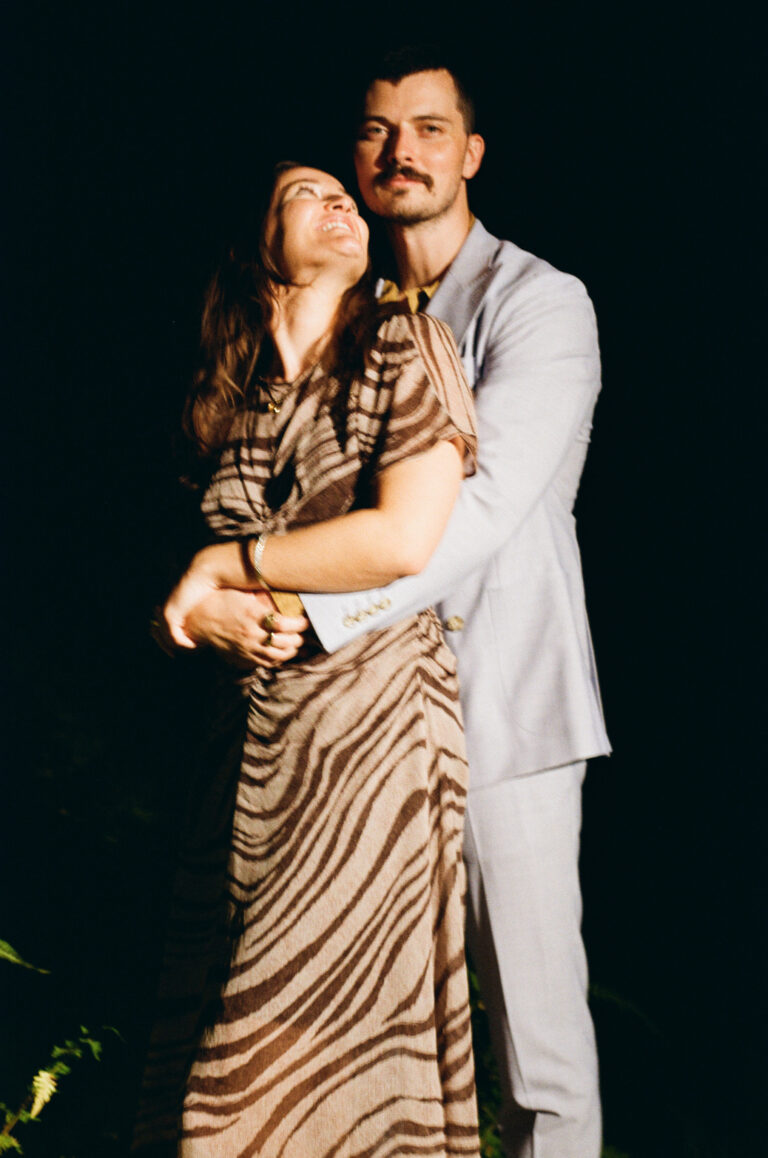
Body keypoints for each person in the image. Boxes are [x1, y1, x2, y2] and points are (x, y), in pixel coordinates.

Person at [182, 49, 612, 1158]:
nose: (400, 151)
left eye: (428, 129)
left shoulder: (539, 301)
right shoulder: (341, 316)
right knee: (356, 1040)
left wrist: (285, 598)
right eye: (376, 131)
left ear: (471, 154)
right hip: (347, 733)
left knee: (537, 1050)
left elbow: (480, 507)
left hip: (500, 706)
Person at [134, 163, 481, 1156]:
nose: (340, 202)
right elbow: (165, 597)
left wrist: (232, 565)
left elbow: (404, 538)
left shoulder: (405, 342)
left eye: (344, 191)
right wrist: (202, 619)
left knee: (284, 1062)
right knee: (220, 1018)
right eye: (303, 192)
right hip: (240, 760)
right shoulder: (223, 400)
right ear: (255, 246)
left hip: (370, 744)